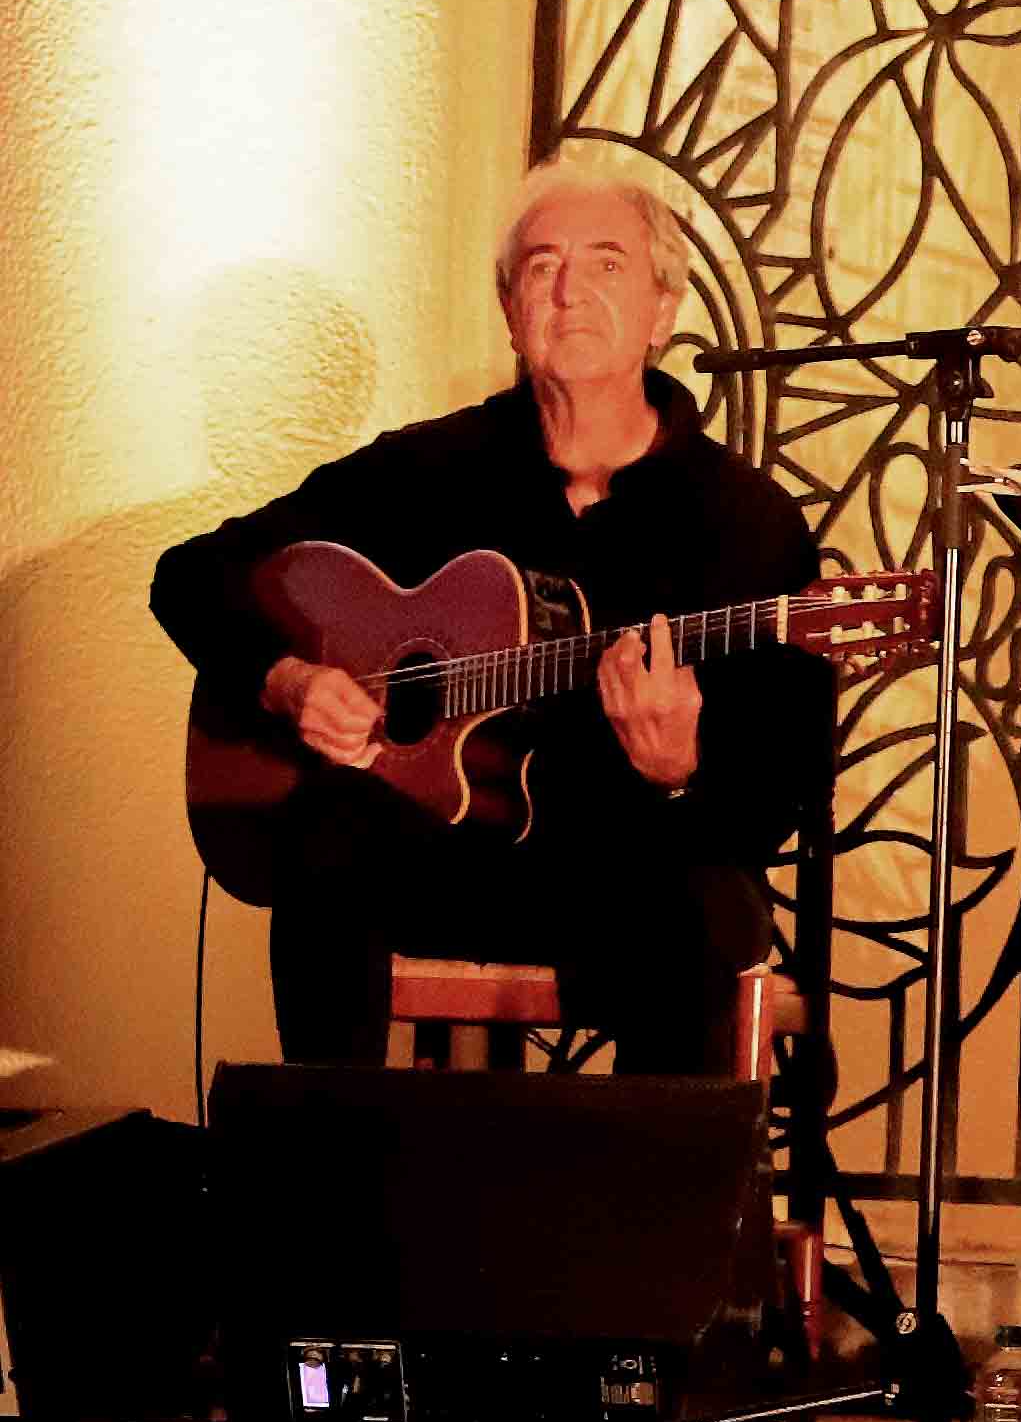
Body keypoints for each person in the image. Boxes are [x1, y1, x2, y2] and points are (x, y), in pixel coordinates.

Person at [153, 156, 830, 1074]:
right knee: (330, 839)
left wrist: (681, 772)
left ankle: (634, 1217)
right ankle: (331, 1196)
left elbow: (782, 783)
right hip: (456, 864)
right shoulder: (427, 470)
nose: (569, 291)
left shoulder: (747, 523)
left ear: (663, 310)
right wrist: (289, 680)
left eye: (606, 263)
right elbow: (193, 574)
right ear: (511, 311)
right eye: (541, 267)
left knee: (697, 908)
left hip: (640, 870)